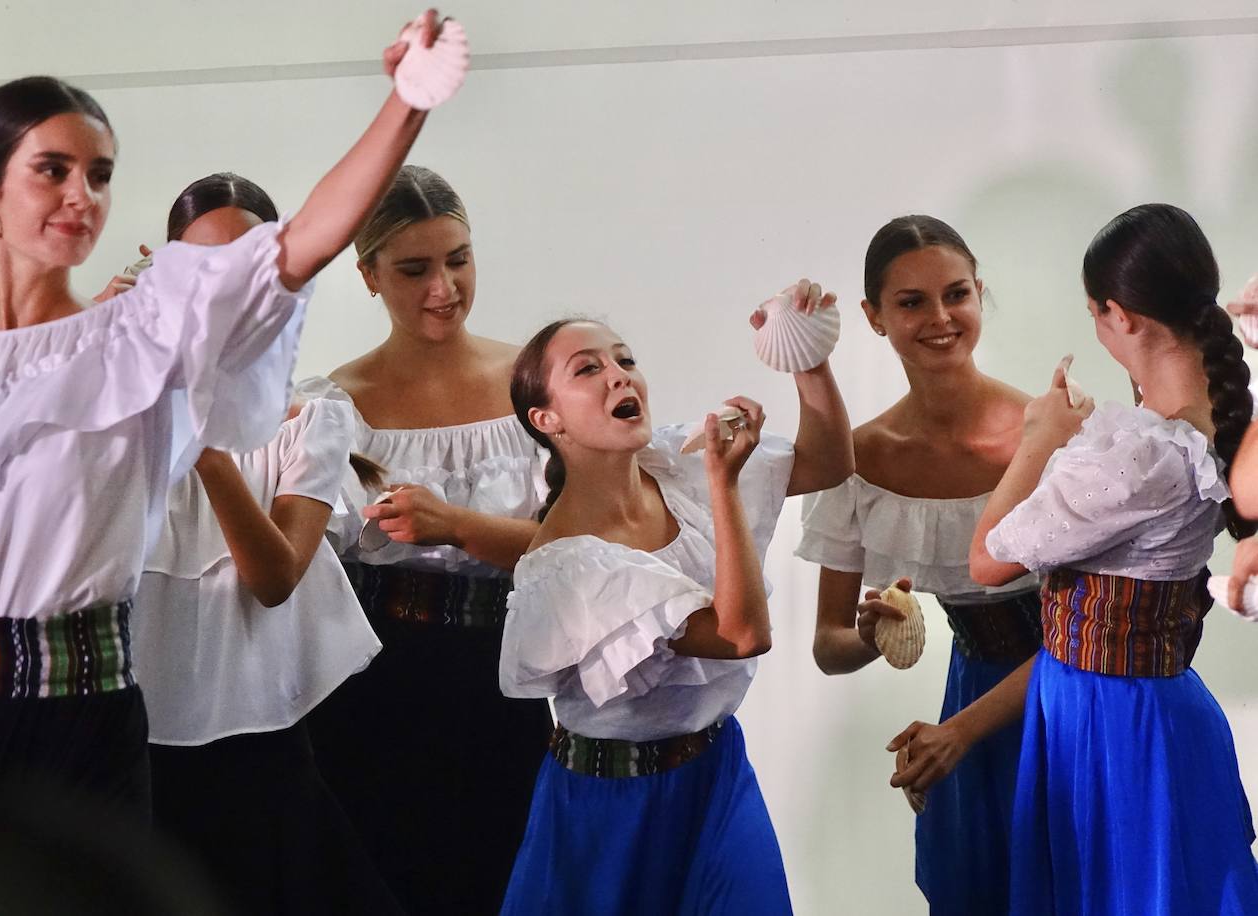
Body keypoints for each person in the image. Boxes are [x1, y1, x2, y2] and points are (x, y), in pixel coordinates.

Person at [0, 10, 456, 819]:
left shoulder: (142, 341)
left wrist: (406, 101)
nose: (82, 196)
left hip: (79, 719)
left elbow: (301, 244)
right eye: (53, 170)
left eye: (101, 175)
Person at [894, 203, 1258, 914]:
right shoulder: (1213, 417)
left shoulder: (1136, 453)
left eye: (1095, 312)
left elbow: (987, 562)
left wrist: (1039, 437)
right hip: (1148, 707)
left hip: (1110, 726)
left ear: (1120, 317)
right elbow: (1081, 625)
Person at [498, 296, 853, 914]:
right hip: (610, 809)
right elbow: (741, 634)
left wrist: (808, 356)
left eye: (625, 359)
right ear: (546, 419)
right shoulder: (568, 566)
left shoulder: (675, 463)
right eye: (587, 369)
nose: (619, 374)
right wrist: (723, 482)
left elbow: (829, 462)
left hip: (715, 773)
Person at [129, 173, 401, 914]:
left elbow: (275, 576)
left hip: (258, 736)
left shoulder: (312, 417)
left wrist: (207, 447)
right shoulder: (126, 400)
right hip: (126, 737)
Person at [300, 165, 554, 914]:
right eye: (414, 269)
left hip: (503, 669)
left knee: (502, 876)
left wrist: (461, 528)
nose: (443, 286)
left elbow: (587, 539)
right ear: (369, 275)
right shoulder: (336, 404)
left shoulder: (533, 382)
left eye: (458, 259)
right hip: (374, 677)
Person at [799, 215, 1039, 914]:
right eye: (911, 303)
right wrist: (876, 635)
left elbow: (1089, 633)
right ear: (874, 318)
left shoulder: (1048, 432)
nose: (940, 318)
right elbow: (827, 646)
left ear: (979, 296)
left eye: (956, 295)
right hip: (968, 699)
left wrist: (960, 732)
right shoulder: (861, 459)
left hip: (1075, 691)